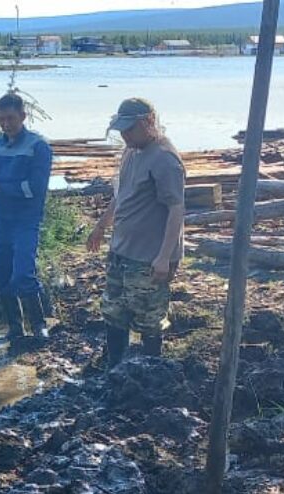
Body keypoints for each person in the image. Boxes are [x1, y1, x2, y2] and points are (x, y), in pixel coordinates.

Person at [87, 98, 186, 368]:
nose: (125, 135)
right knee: (113, 310)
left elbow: (176, 210)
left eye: (130, 129)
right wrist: (101, 226)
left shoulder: (165, 159)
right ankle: (115, 365)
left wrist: (165, 257)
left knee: (148, 317)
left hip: (149, 256)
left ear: (149, 122)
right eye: (122, 129)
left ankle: (151, 371)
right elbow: (122, 196)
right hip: (122, 250)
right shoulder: (131, 152)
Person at [0, 92, 54, 342]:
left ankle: (39, 323)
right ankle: (15, 327)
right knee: (3, 276)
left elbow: (35, 188)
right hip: (1, 219)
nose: (6, 124)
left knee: (23, 273)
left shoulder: (38, 146)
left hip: (26, 220)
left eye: (10, 118)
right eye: (1, 119)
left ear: (23, 116)